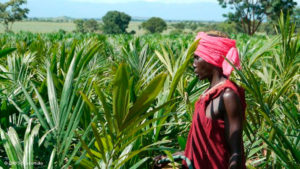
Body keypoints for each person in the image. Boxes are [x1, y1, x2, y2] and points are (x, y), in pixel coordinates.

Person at [154, 31, 247, 169]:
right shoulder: (207, 94)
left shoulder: (228, 96)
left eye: (197, 58)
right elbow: (200, 149)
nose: (194, 64)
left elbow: (236, 153)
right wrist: (170, 158)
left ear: (212, 58)